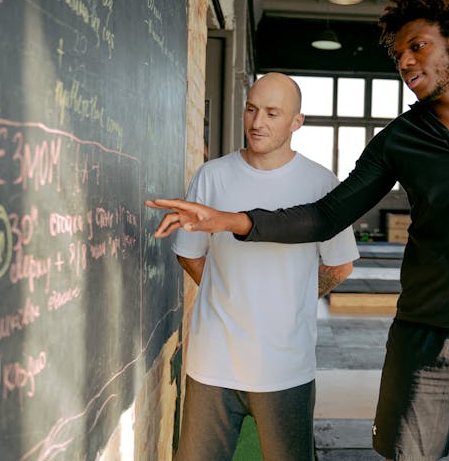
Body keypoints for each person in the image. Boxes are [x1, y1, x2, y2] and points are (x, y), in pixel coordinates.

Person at [147, 0, 449, 461]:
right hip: (423, 338)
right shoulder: (400, 139)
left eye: (417, 46)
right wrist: (232, 220)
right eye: (398, 54)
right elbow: (325, 215)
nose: (405, 62)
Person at [148, 72, 359, 461]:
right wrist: (229, 292)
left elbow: (339, 265)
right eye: (251, 109)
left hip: (286, 363)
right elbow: (188, 252)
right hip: (213, 359)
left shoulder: (322, 183)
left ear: (297, 122)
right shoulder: (213, 174)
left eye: (272, 113)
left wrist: (290, 299)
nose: (257, 122)